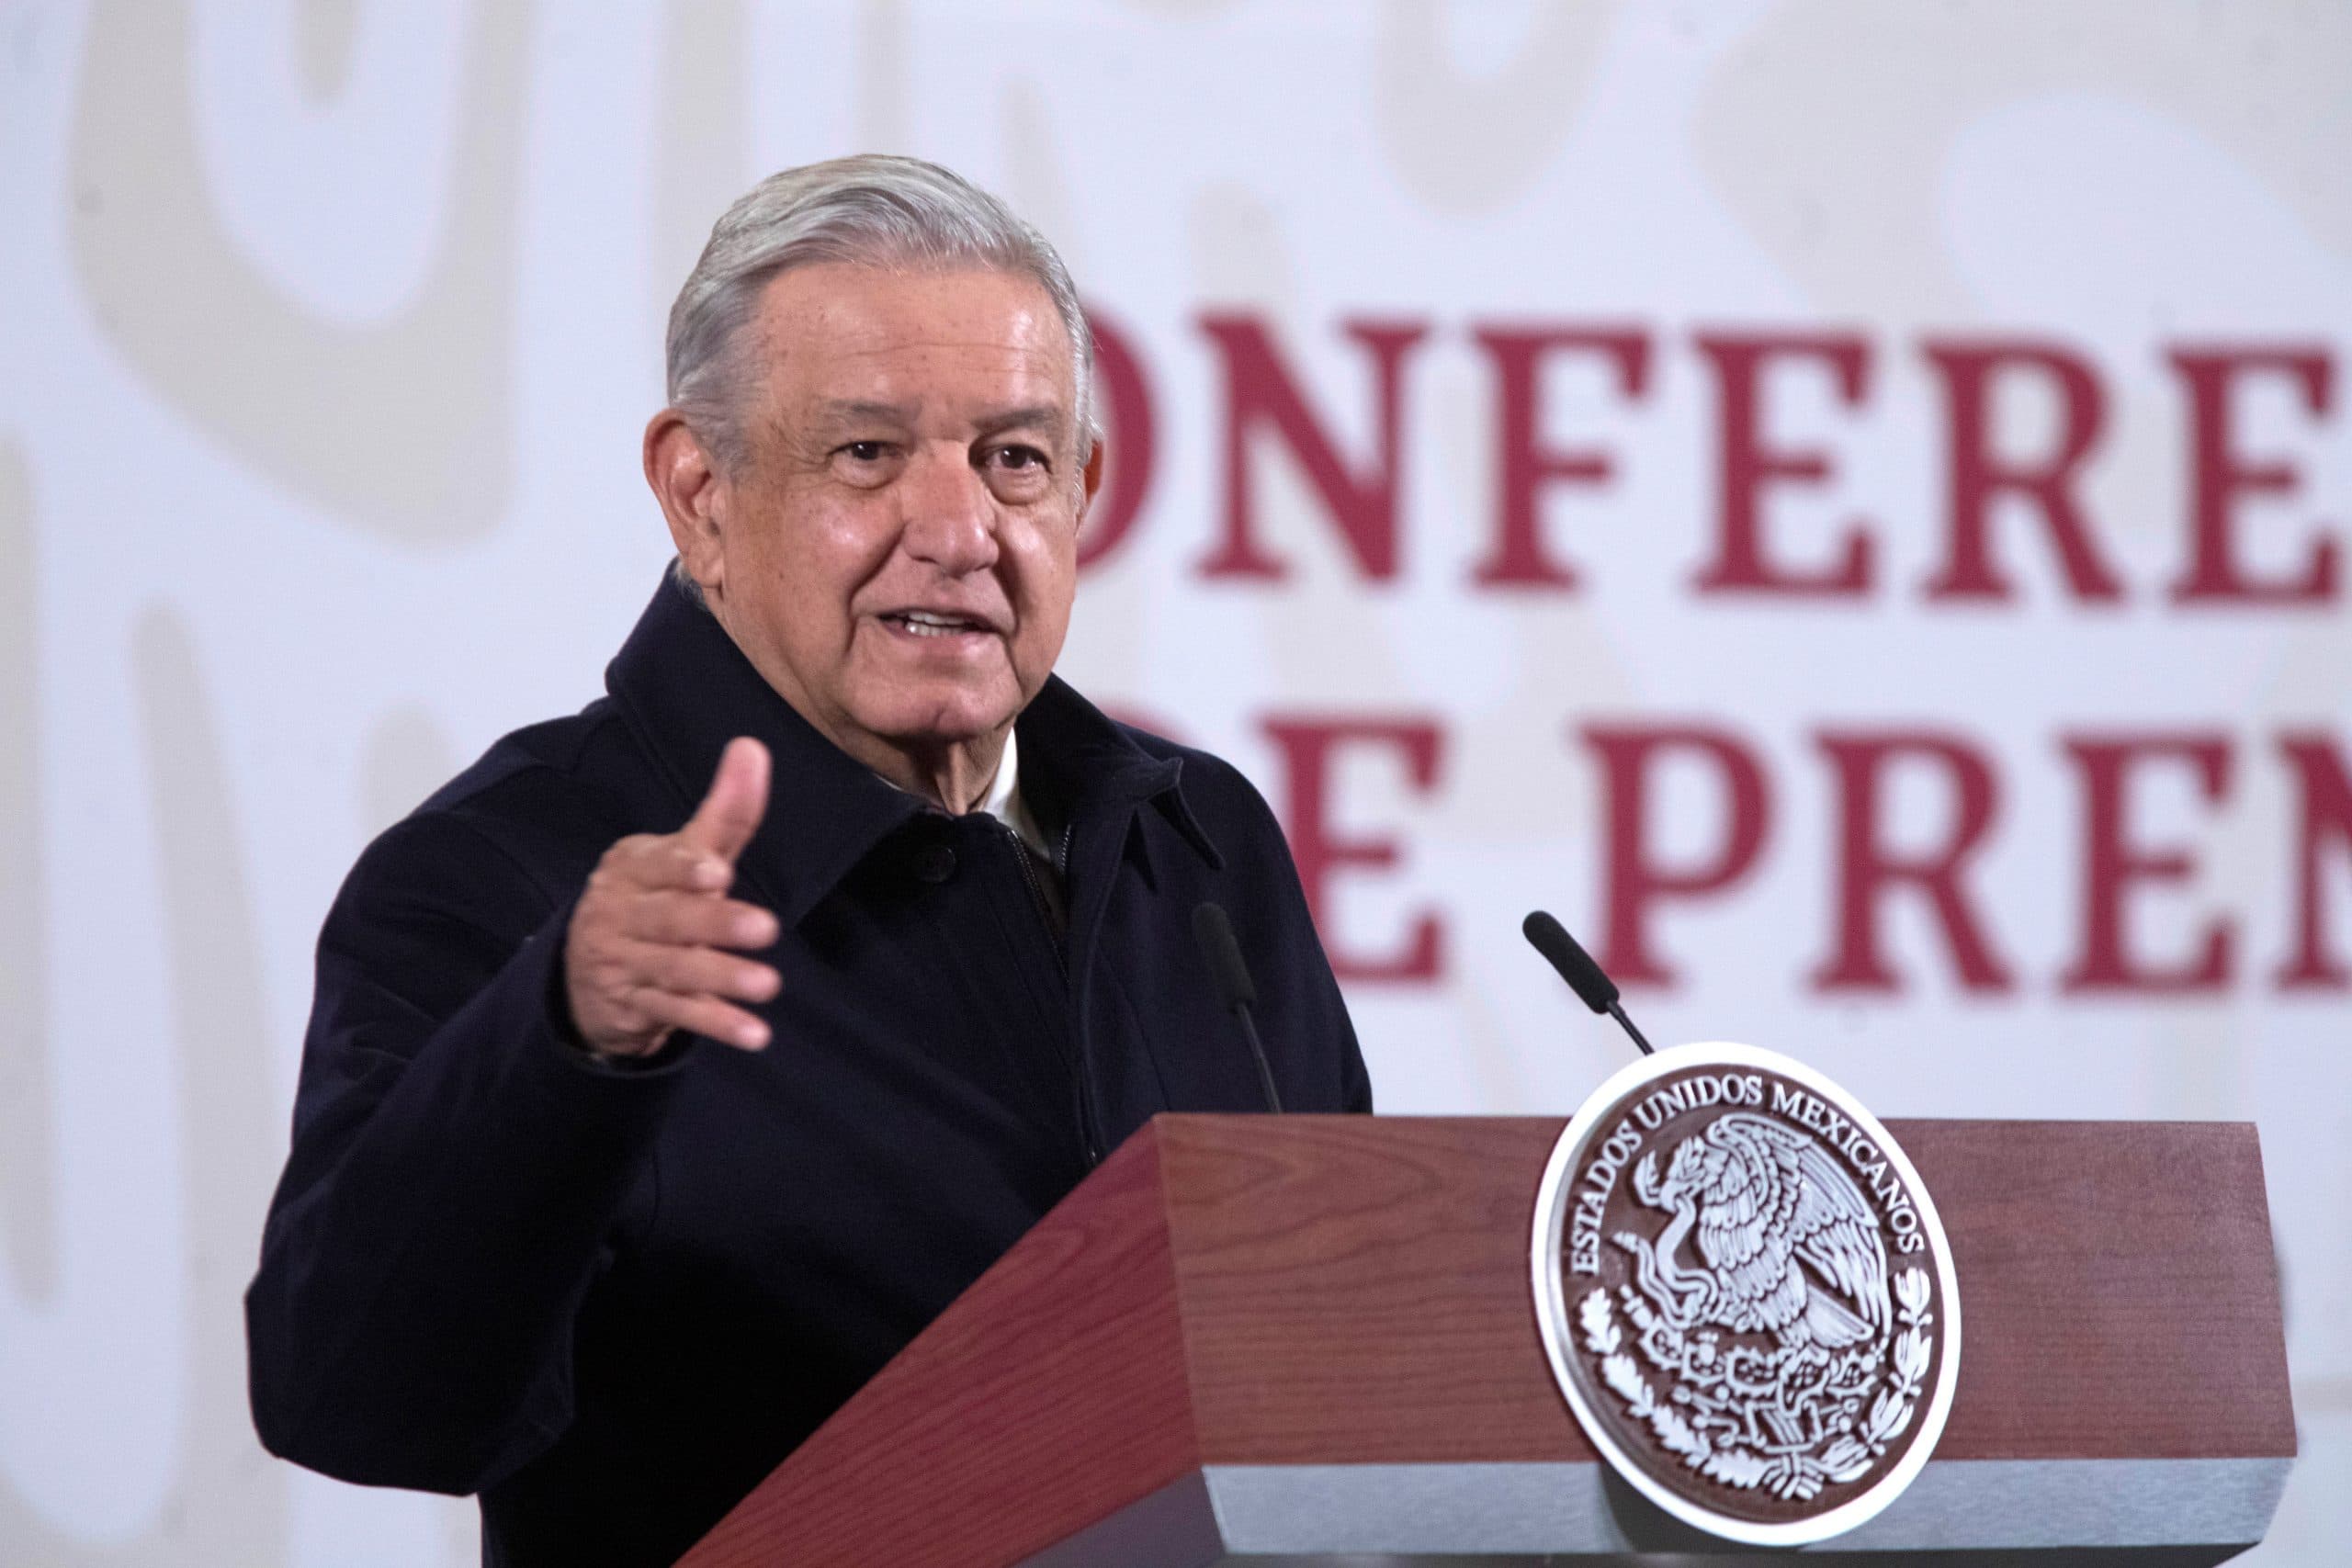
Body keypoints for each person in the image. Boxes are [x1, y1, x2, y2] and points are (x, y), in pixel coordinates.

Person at [244, 155, 1371, 1567]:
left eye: (1014, 459)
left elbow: (1346, 1368)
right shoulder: (510, 877)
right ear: (700, 493)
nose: (960, 533)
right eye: (867, 454)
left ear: (1082, 489)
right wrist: (565, 1042)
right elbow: (357, 1403)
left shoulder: (1197, 847)